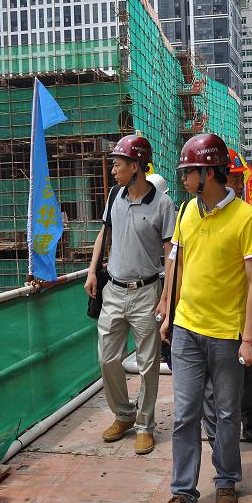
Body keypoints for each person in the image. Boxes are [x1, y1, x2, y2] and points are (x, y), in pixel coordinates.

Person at [154, 133, 252, 503]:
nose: (183, 177)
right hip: (187, 329)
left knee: (226, 413)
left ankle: (226, 479)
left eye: (189, 171)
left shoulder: (246, 218)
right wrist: (167, 308)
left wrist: (249, 339)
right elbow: (177, 262)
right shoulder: (186, 211)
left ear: (209, 172)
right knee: (185, 414)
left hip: (227, 335)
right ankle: (183, 492)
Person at [84, 135, 175, 456]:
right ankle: (123, 414)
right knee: (107, 358)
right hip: (113, 290)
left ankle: (145, 425)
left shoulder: (163, 205)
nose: (113, 170)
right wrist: (92, 271)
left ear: (135, 166)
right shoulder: (114, 195)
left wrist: (166, 296)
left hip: (147, 292)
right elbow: (104, 233)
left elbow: (171, 253)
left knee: (149, 364)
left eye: (117, 164)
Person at [201, 147, 252, 443]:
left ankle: (249, 417)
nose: (237, 183)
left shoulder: (250, 216)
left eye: (239, 178)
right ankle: (220, 424)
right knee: (213, 367)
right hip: (214, 305)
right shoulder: (195, 214)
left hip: (250, 301)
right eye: (233, 177)